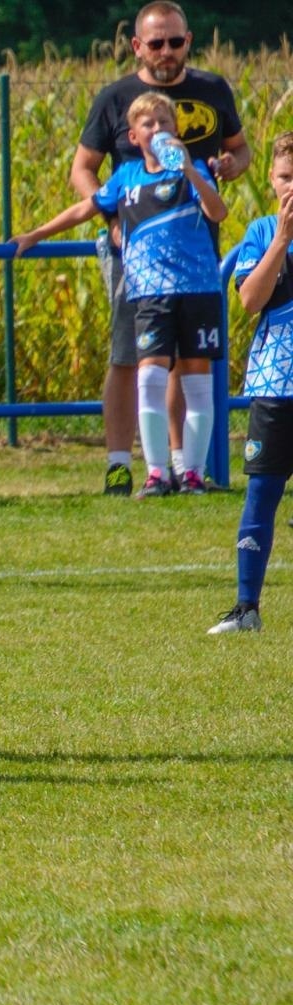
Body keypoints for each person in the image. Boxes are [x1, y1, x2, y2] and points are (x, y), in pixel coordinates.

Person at [71, 0, 249, 496]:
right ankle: (119, 465)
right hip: (136, 253)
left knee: (187, 358)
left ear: (189, 41)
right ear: (137, 46)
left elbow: (241, 148)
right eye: (156, 43)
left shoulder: (212, 90)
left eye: (176, 41)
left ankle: (180, 466)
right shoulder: (116, 97)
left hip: (196, 250)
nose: (167, 51)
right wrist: (110, 217)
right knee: (132, 356)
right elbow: (82, 169)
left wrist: (234, 166)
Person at [14, 92, 227, 497]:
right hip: (148, 292)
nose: (158, 130)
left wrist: (192, 171)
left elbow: (218, 212)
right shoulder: (127, 177)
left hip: (197, 287)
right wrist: (37, 233)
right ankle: (156, 473)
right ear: (133, 136)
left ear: (177, 131)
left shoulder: (193, 168)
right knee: (148, 376)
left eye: (165, 123)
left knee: (197, 380)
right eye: (149, 125)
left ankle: (193, 474)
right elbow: (85, 209)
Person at [208, 132, 293, 633]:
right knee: (262, 492)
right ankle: (247, 608)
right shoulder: (262, 232)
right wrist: (282, 240)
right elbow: (249, 301)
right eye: (285, 178)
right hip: (275, 382)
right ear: (270, 179)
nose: (291, 188)